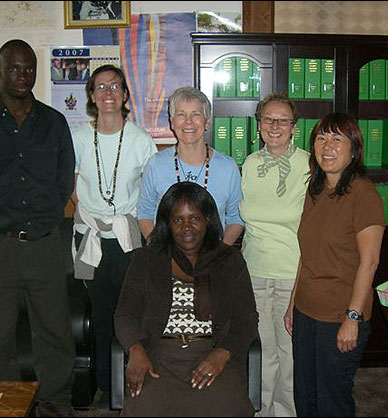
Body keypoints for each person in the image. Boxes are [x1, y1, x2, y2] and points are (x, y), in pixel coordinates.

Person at [0, 39, 76, 412]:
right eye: (14, 68)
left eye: (28, 68)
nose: (22, 76)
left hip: (44, 245)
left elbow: (63, 176)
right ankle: (2, 407)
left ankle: (55, 405)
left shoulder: (53, 122)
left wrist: (47, 214)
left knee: (54, 335)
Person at [115, 181, 258, 417]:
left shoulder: (229, 261)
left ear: (208, 220)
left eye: (194, 218)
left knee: (226, 407)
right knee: (143, 409)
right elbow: (125, 314)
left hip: (212, 355)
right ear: (167, 225)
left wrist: (223, 353)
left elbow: (246, 319)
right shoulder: (146, 259)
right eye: (177, 220)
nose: (186, 227)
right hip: (159, 357)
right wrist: (136, 349)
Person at [284, 112, 385, 417]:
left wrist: (352, 317)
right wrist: (292, 305)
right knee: (305, 396)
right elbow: (307, 254)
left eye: (337, 138)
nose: (327, 146)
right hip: (305, 313)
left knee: (332, 402)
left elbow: (370, 263)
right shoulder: (315, 191)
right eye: (321, 137)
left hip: (339, 317)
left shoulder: (364, 194)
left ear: (353, 149)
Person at [71, 64, 157, 409]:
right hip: (90, 236)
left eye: (115, 86)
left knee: (133, 312)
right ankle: (108, 388)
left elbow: (150, 192)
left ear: (125, 96)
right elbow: (71, 185)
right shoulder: (77, 137)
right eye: (101, 87)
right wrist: (94, 218)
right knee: (102, 312)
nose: (108, 92)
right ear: (92, 95)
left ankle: (135, 382)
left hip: (130, 238)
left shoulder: (140, 140)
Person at [239, 92, 310, 417]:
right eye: (268, 119)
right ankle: (263, 409)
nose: (275, 125)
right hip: (253, 269)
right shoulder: (251, 164)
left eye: (283, 120)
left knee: (290, 350)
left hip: (290, 273)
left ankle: (286, 412)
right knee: (263, 349)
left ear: (294, 127)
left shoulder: (309, 164)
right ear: (259, 125)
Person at [138, 86, 244, 245]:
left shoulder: (228, 167)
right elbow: (145, 213)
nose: (188, 122)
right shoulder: (155, 164)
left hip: (212, 260)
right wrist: (160, 251)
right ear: (172, 122)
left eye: (196, 114)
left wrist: (219, 253)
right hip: (167, 260)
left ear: (207, 122)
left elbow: (236, 218)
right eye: (181, 115)